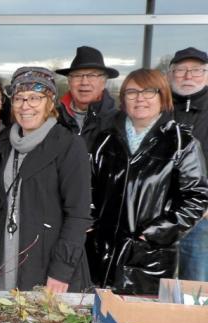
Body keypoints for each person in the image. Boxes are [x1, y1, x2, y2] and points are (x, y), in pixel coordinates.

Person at [88, 69, 208, 295]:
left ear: (163, 98)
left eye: (149, 92)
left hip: (149, 257)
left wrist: (154, 234)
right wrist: (91, 222)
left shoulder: (182, 142)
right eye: (132, 92)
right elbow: (89, 186)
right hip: (101, 251)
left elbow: (196, 198)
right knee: (97, 318)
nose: (140, 98)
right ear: (123, 99)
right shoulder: (106, 140)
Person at [0, 67, 92, 293]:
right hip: (5, 256)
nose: (25, 105)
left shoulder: (68, 145)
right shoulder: (3, 143)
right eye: (19, 98)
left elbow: (78, 215)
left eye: (35, 98)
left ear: (50, 102)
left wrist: (61, 271)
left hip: (48, 263)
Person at [168, 47, 208, 281]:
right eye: (181, 70)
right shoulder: (160, 108)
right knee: (155, 287)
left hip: (201, 219)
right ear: (171, 74)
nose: (188, 76)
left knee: (195, 285)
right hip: (160, 214)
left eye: (196, 70)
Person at [56, 46, 119, 150]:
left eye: (92, 75)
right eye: (77, 76)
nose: (84, 82)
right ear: (69, 82)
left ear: (103, 83)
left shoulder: (118, 123)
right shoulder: (53, 119)